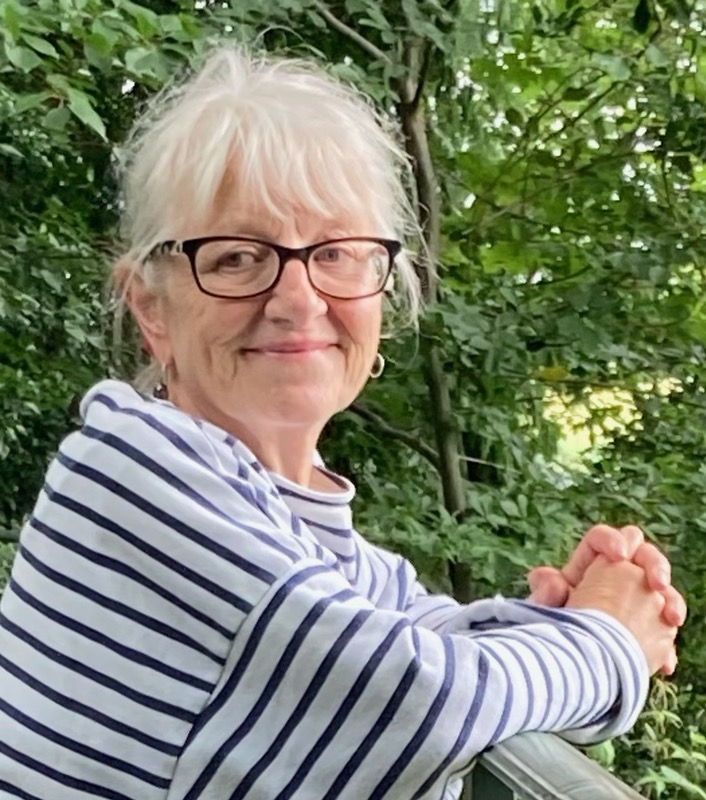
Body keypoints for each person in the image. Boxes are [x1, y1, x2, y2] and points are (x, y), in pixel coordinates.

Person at [0, 47, 685, 800]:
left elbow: (421, 638)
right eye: (236, 258)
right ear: (151, 309)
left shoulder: (320, 540)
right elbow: (420, 702)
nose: (298, 299)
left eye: (336, 253)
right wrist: (611, 640)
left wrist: (569, 615)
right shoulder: (130, 470)